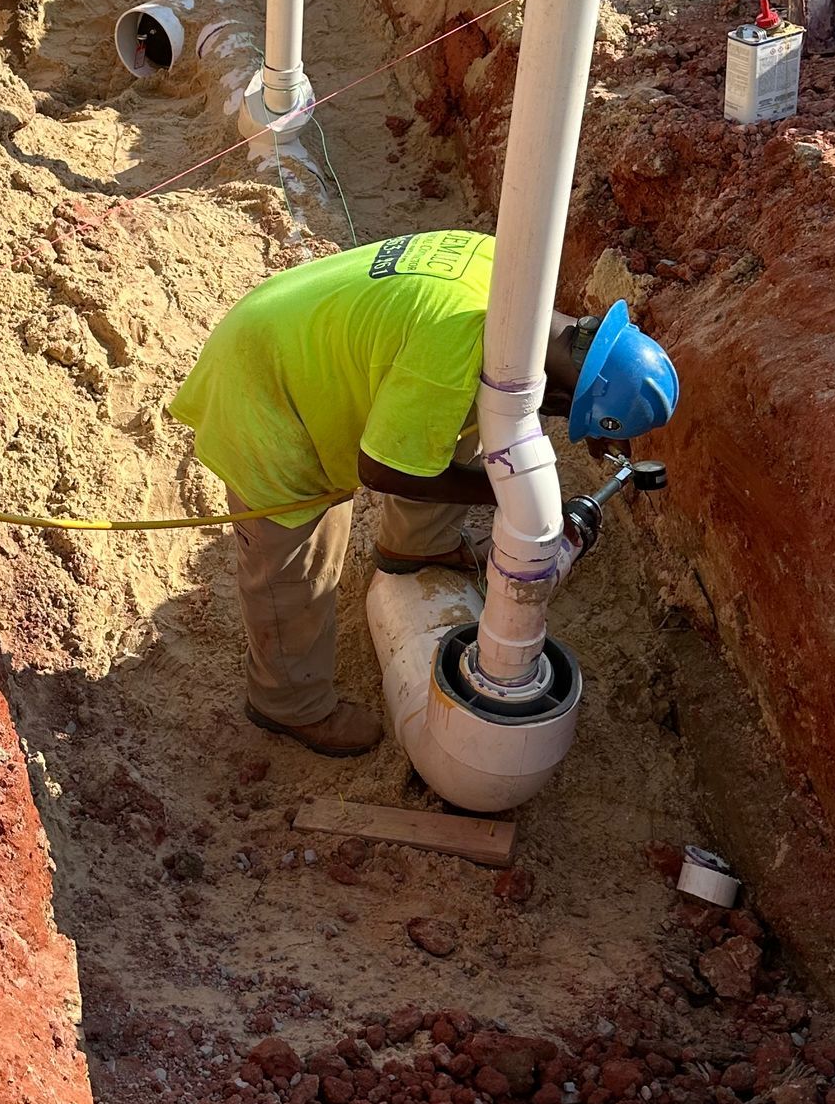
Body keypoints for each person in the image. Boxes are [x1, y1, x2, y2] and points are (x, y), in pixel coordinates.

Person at [170, 227, 679, 758]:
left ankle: (418, 545)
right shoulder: (449, 352)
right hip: (264, 385)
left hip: (290, 318)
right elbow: (386, 471)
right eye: (559, 409)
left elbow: (484, 402)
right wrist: (507, 493)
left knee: (474, 419)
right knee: (299, 562)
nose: (553, 416)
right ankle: (286, 702)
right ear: (557, 388)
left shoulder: (511, 284)